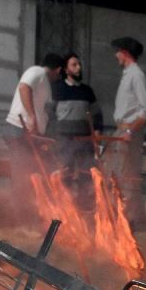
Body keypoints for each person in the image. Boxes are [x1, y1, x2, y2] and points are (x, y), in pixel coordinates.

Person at [3, 53, 64, 216]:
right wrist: (32, 118)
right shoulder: (37, 71)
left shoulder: (44, 82)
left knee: (33, 174)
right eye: (60, 73)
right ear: (58, 70)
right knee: (22, 175)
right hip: (19, 130)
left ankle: (30, 214)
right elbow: (24, 88)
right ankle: (20, 219)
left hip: (31, 135)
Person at [104, 36, 146, 223]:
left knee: (126, 178)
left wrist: (130, 132)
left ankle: (126, 222)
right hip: (121, 130)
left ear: (124, 53)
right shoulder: (128, 75)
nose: (116, 56)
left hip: (129, 132)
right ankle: (114, 219)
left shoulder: (136, 75)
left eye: (117, 52)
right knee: (114, 174)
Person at [50, 52, 103, 199]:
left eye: (79, 64)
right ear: (66, 70)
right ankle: (64, 209)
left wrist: (98, 132)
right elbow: (49, 113)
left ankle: (84, 207)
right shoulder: (57, 89)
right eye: (74, 65)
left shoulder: (87, 91)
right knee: (64, 172)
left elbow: (97, 113)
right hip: (64, 140)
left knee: (87, 173)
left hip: (85, 140)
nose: (78, 68)